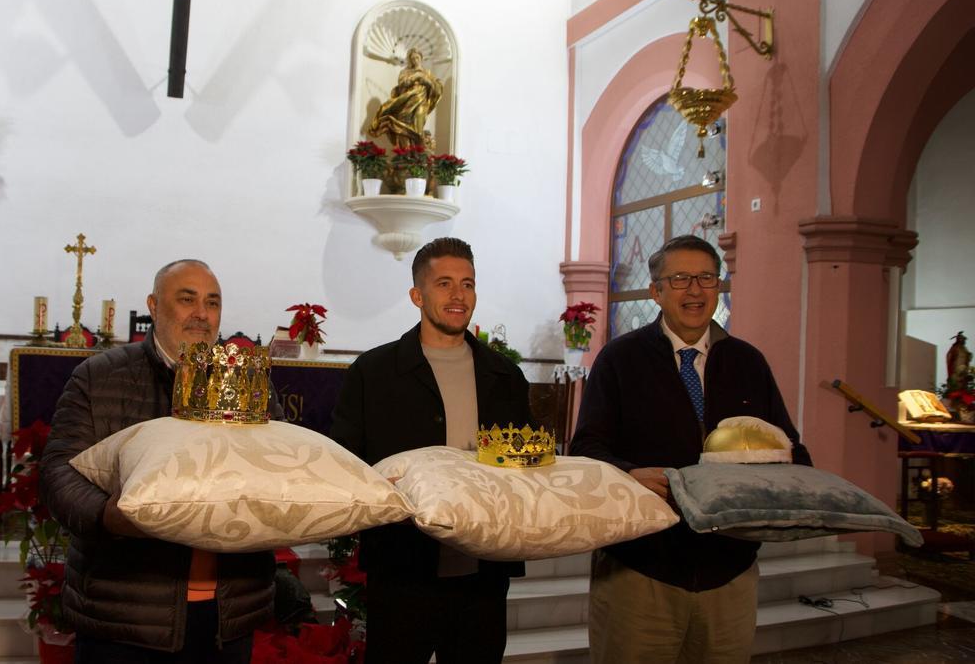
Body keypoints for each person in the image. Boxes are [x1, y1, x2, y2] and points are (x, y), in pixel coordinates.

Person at [569, 235, 812, 663]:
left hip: (729, 571)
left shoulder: (747, 362)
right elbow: (587, 447)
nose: (695, 290)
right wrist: (628, 473)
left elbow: (791, 447)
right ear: (656, 291)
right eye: (680, 279)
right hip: (642, 568)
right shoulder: (620, 359)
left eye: (706, 278)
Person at [40, 260, 276, 663]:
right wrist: (106, 516)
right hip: (126, 612)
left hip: (228, 609)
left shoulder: (247, 381)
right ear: (153, 304)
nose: (202, 313)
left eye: (212, 302)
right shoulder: (98, 377)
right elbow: (58, 473)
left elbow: (276, 465)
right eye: (187, 299)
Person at [331, 237, 533, 663]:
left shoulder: (505, 376)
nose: (459, 295)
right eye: (444, 284)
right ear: (417, 295)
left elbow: (524, 462)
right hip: (404, 571)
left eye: (468, 283)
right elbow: (348, 461)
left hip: (484, 572)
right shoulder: (375, 372)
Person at [367, 47, 444, 149]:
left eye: (417, 58)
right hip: (407, 102)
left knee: (418, 121)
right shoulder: (405, 72)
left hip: (421, 103)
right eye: (413, 59)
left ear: (421, 58)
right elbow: (401, 85)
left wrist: (426, 81)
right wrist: (414, 77)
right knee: (403, 125)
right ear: (410, 60)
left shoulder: (427, 73)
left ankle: (418, 152)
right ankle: (406, 152)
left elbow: (437, 89)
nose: (415, 60)